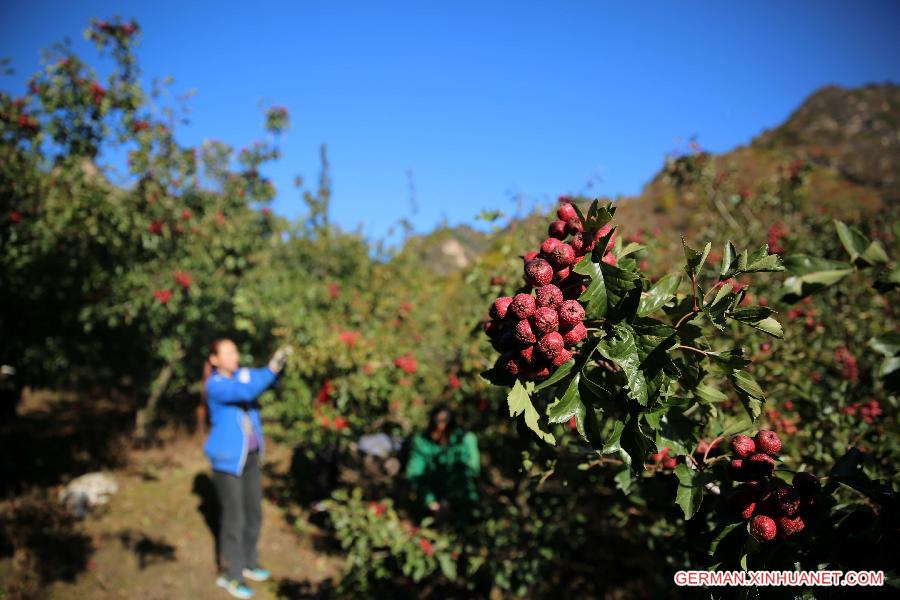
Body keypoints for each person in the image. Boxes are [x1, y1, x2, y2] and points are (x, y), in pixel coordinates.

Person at [203, 338, 291, 599]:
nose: (234, 356)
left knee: (254, 513)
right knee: (234, 518)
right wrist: (270, 369)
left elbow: (267, 381)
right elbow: (247, 391)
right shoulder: (216, 385)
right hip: (227, 460)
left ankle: (250, 562)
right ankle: (231, 574)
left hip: (250, 456)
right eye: (227, 352)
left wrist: (280, 366)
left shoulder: (242, 375)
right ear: (214, 360)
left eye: (235, 351)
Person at [405, 403, 480, 521]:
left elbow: (470, 472)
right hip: (431, 507)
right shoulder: (421, 442)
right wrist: (431, 502)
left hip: (462, 503)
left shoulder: (465, 440)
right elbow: (415, 475)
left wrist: (450, 501)